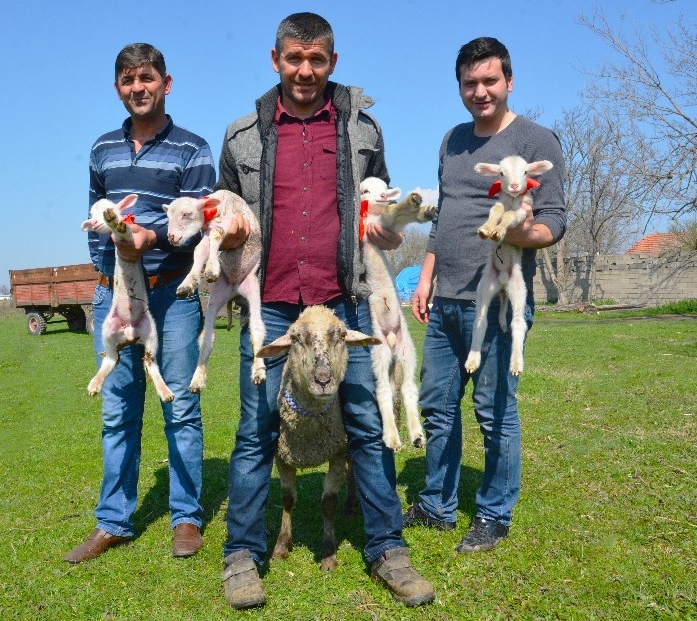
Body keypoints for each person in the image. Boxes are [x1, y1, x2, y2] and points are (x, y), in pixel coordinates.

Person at [215, 12, 435, 610]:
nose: (305, 71)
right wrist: (229, 233)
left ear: (332, 62)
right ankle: (242, 555)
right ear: (276, 60)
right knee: (255, 429)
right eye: (294, 59)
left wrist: (387, 227)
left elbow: (378, 209)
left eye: (317, 60)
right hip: (273, 308)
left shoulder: (364, 129)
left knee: (366, 422)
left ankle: (388, 550)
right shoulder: (240, 136)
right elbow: (229, 217)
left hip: (345, 304)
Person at [406, 37, 566, 553]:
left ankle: (494, 513)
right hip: (447, 297)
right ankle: (437, 504)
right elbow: (444, 218)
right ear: (459, 87)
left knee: (495, 409)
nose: (480, 92)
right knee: (437, 405)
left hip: (497, 301)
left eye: (489, 81)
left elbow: (554, 223)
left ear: (509, 81)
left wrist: (511, 233)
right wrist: (426, 275)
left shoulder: (538, 140)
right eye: (470, 83)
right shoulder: (452, 141)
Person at [64, 43, 216, 563]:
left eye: (147, 78)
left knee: (181, 407)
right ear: (117, 89)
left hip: (172, 296)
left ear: (166, 84)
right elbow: (93, 218)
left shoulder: (193, 150)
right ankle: (113, 521)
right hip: (114, 297)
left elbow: (202, 227)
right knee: (116, 412)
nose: (138, 88)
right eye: (128, 80)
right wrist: (104, 276)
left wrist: (154, 240)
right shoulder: (102, 149)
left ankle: (187, 518)